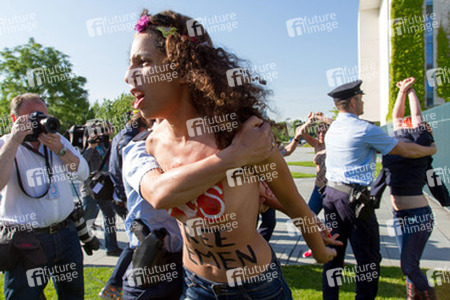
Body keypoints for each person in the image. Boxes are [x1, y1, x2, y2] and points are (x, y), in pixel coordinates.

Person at [126, 10, 341, 299]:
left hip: (257, 288)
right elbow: (161, 194)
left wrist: (319, 250)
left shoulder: (243, 135)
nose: (129, 76)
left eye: (143, 62)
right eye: (130, 65)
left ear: (180, 69)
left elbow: (295, 204)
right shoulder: (152, 144)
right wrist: (236, 159)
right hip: (196, 285)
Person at [322, 80, 437, 300]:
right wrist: (430, 148)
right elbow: (404, 149)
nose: (363, 102)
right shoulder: (365, 129)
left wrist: (404, 92)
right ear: (354, 101)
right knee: (368, 260)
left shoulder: (334, 127)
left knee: (333, 255)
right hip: (352, 200)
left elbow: (397, 122)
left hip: (331, 195)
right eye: (361, 98)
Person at [0, 93, 89, 299]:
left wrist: (60, 149)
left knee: (73, 295)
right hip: (26, 240)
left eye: (44, 115)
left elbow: (82, 173)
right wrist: (14, 140)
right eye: (33, 116)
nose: (41, 120)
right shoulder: (5, 144)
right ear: (15, 119)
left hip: (66, 234)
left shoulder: (57, 141)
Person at [381, 77, 437, 299]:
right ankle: (412, 297)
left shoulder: (418, 141)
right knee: (410, 263)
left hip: (417, 216)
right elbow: (396, 116)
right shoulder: (398, 139)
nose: (402, 121)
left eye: (409, 122)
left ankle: (430, 296)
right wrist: (403, 91)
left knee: (408, 265)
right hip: (400, 215)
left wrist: (410, 90)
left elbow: (415, 116)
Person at [99, 113, 152, 299]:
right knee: (137, 242)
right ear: (143, 126)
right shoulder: (132, 141)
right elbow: (126, 173)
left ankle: (115, 284)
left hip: (120, 198)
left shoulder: (121, 136)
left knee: (137, 241)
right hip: (126, 200)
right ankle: (114, 285)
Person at [81, 132, 122, 256]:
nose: (98, 138)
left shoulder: (104, 146)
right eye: (95, 135)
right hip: (90, 188)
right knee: (86, 218)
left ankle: (111, 247)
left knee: (109, 216)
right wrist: (90, 146)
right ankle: (79, 240)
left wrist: (110, 144)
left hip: (103, 188)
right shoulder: (83, 148)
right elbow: (82, 162)